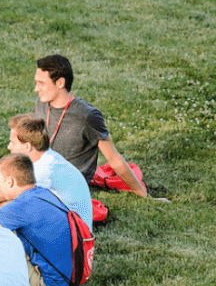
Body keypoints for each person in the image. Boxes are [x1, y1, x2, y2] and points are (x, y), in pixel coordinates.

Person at [34, 54, 167, 201]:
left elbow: (114, 158)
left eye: (41, 83)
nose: (36, 89)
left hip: (66, 187)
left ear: (60, 82)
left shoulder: (87, 115)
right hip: (39, 174)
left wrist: (145, 196)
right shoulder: (42, 104)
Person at [0, 154, 86, 286]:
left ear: (10, 182)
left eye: (0, 182)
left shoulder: (20, 206)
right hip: (71, 281)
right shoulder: (43, 193)